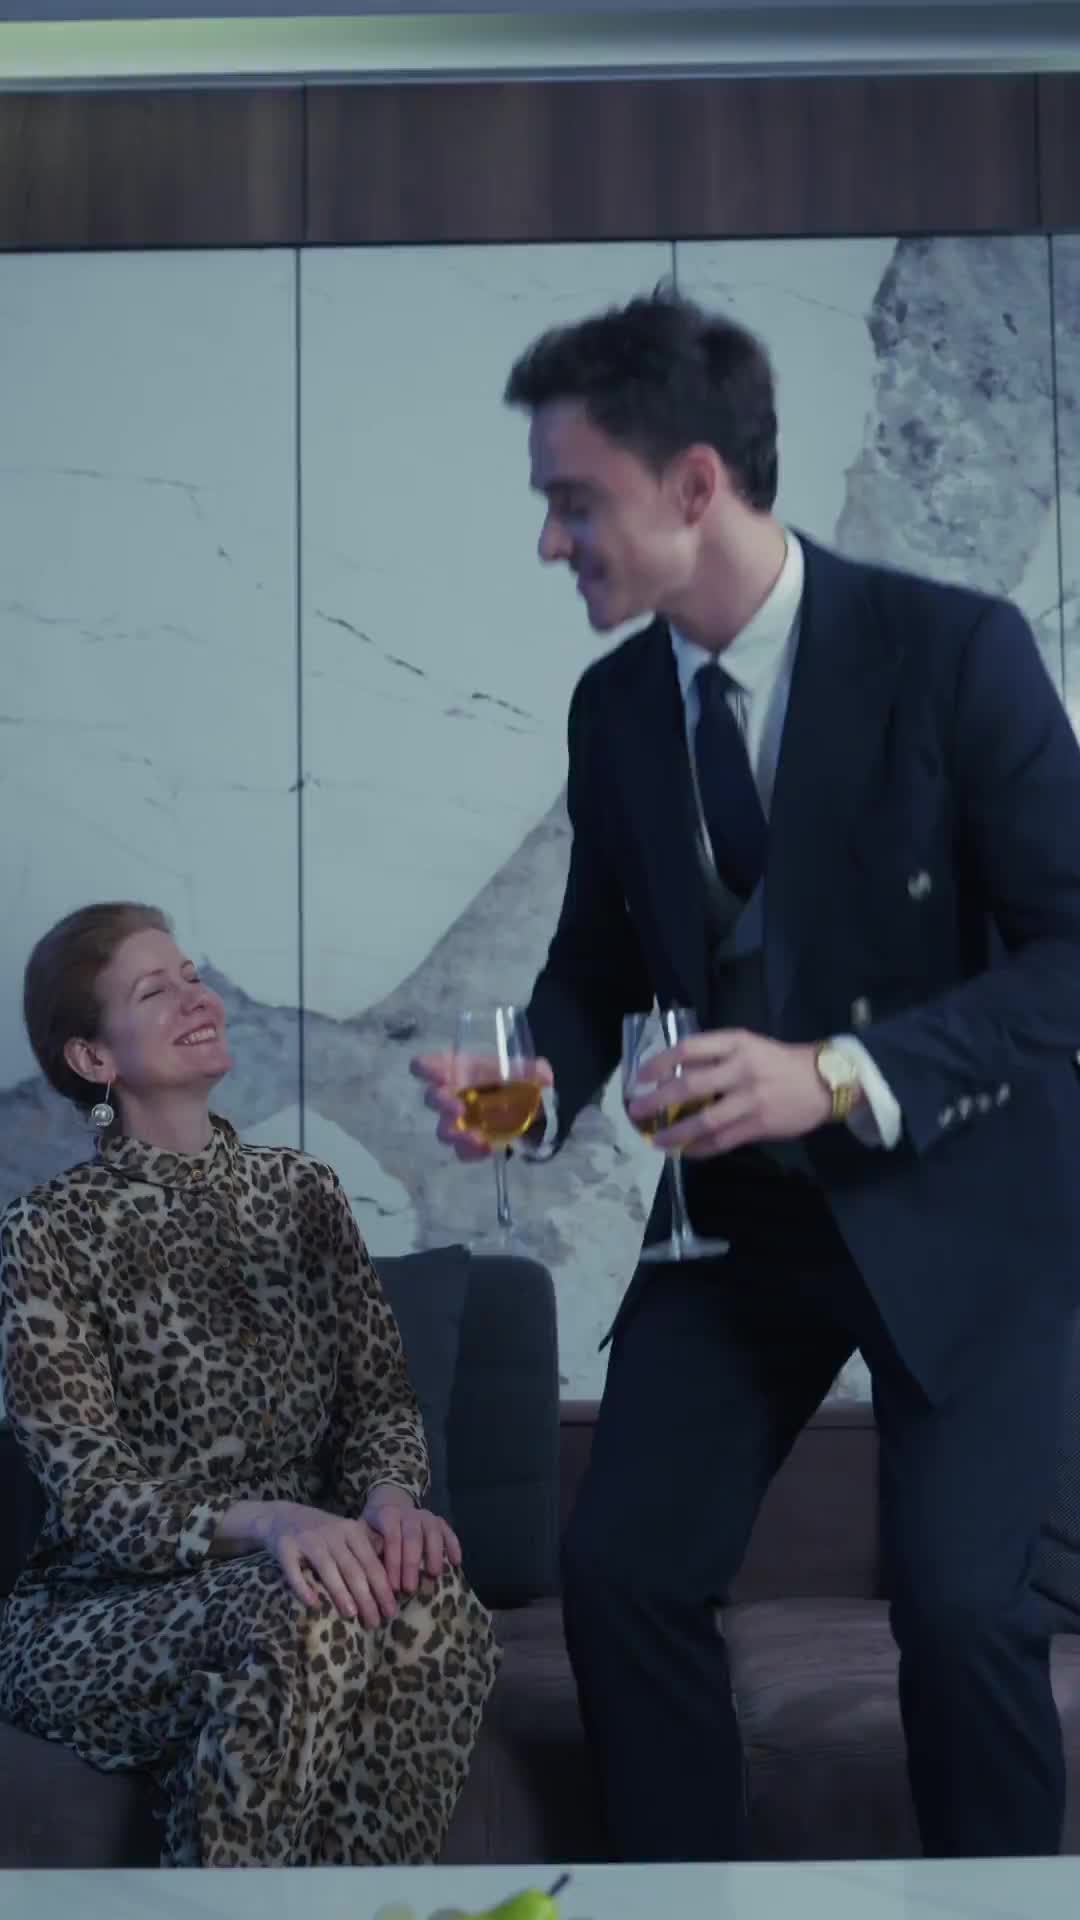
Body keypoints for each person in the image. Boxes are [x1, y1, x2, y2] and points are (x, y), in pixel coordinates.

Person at [414, 289, 1080, 1862]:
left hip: (965, 1217)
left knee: (962, 1611)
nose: (551, 541)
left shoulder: (951, 652)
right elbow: (595, 966)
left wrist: (837, 1073)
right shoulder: (615, 707)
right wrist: (535, 1087)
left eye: (575, 501)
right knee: (625, 1574)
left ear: (695, 484)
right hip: (739, 1230)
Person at [0, 902, 499, 1869]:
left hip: (300, 1580)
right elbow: (95, 1495)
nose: (200, 998)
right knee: (305, 1613)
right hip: (96, 1615)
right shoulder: (45, 1233)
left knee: (437, 1607)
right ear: (94, 1058)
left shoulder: (306, 1192)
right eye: (157, 990)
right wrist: (272, 1522)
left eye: (193, 975)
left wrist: (390, 1500)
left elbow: (380, 1403)